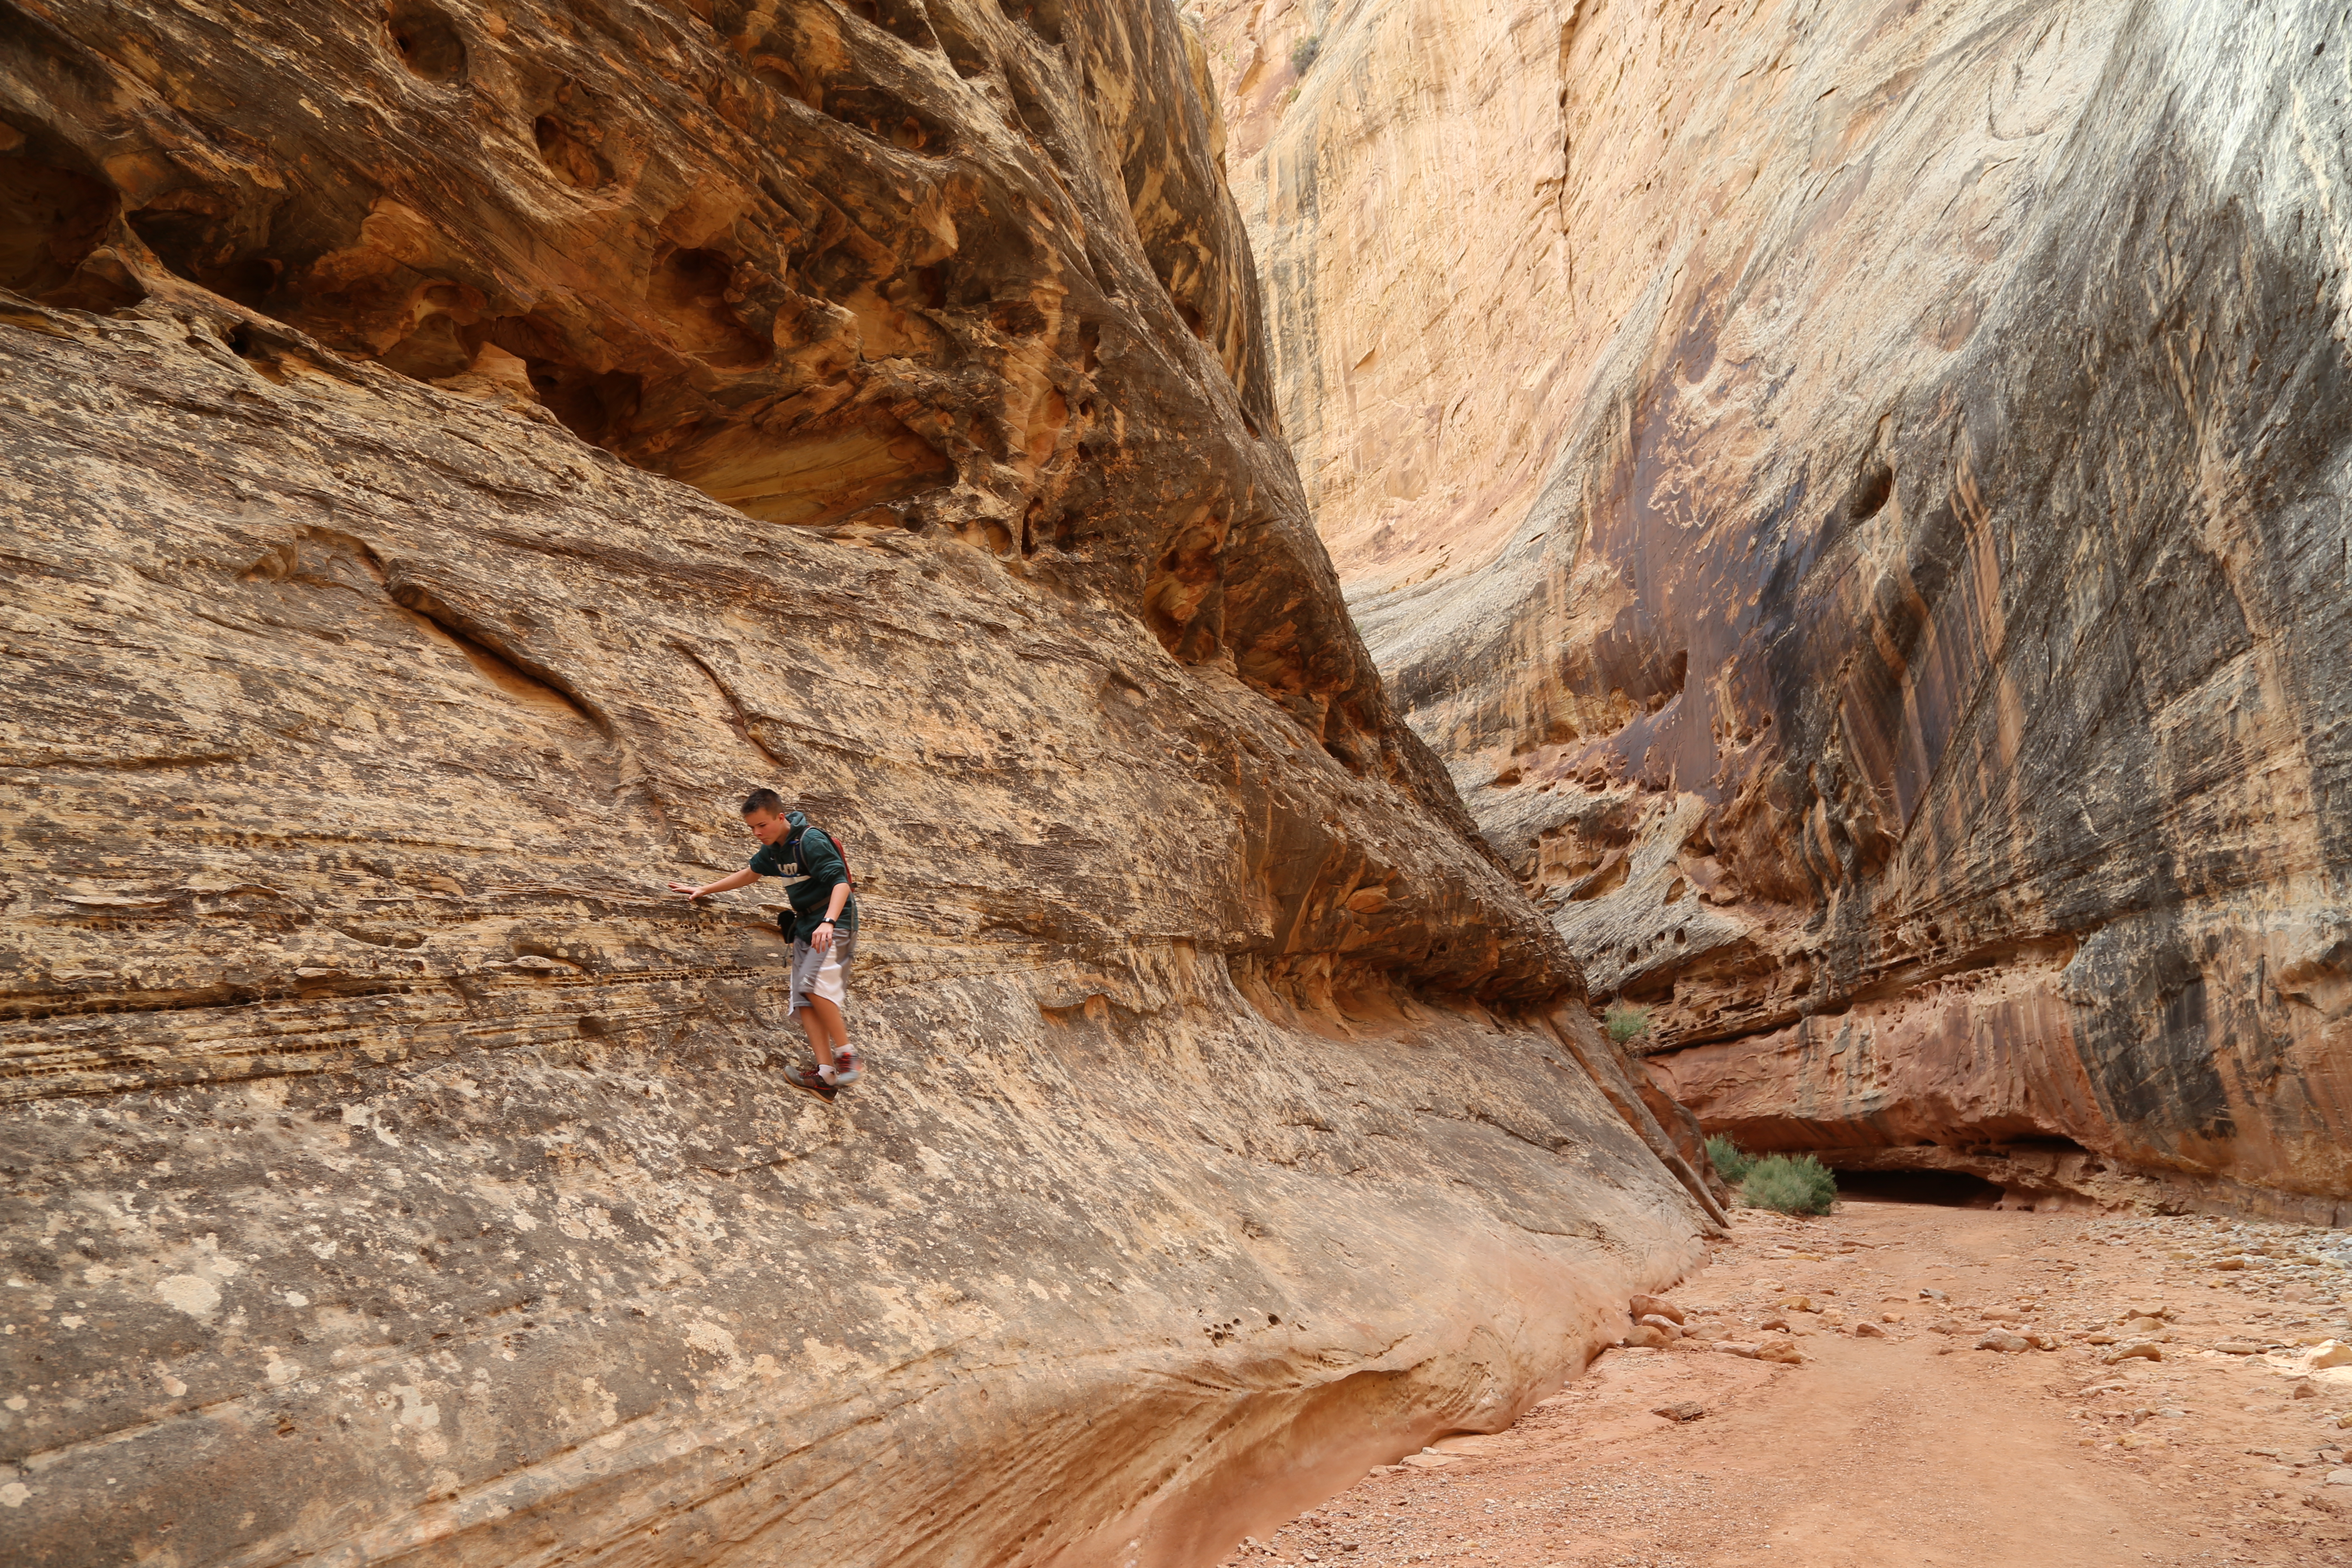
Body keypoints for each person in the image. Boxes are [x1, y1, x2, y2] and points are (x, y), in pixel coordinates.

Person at [668, 789, 863, 1093]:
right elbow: (750, 874)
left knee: (813, 986)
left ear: (780, 817)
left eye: (763, 825)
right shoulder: (776, 848)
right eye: (752, 828)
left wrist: (829, 922)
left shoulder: (810, 842)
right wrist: (703, 889)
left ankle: (847, 1056)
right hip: (805, 926)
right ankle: (825, 1075)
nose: (758, 833)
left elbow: (842, 885)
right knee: (803, 997)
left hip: (833, 925)